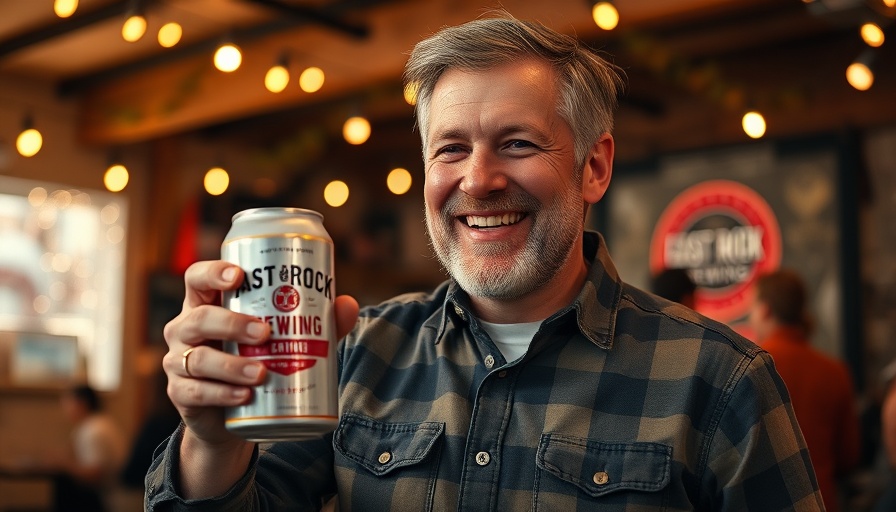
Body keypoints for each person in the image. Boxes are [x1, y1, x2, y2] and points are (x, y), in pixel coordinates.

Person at [146, 12, 823, 511]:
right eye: (449, 149)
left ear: (594, 166)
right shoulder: (356, 353)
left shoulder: (723, 381)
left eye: (518, 143)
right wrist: (209, 438)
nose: (478, 179)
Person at [748, 268, 860, 512]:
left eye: (753, 307)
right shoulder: (835, 371)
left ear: (765, 309)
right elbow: (849, 456)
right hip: (821, 503)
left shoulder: (749, 370)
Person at [53, 384, 128, 512]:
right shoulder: (103, 422)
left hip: (109, 498)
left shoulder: (92, 430)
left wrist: (63, 465)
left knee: (63, 487)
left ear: (81, 404)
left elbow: (95, 474)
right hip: (119, 493)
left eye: (68, 402)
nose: (64, 408)